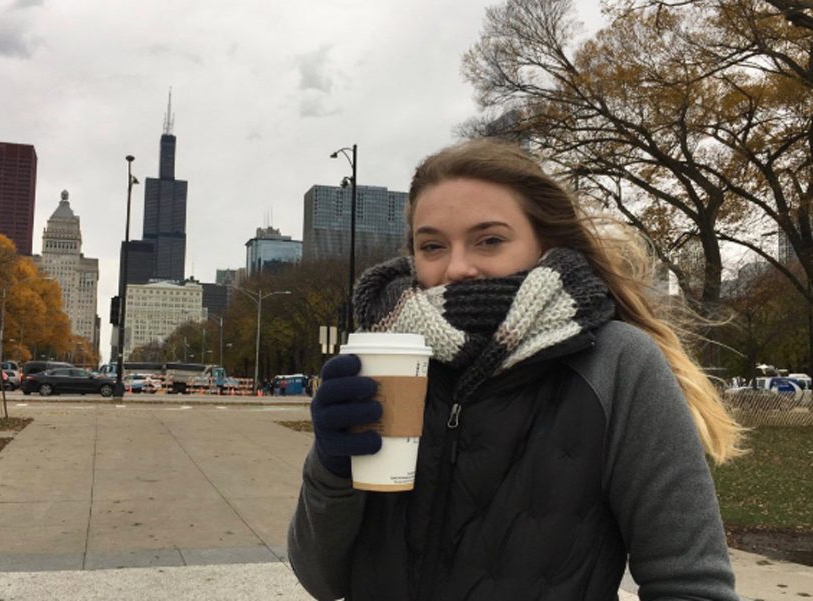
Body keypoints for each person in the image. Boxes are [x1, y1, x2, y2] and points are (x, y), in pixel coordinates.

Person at [288, 139, 743, 601]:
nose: (458, 268)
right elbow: (320, 579)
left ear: (545, 242)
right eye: (433, 246)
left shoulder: (616, 362)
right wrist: (331, 468)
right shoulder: (390, 357)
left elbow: (692, 583)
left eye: (490, 240)